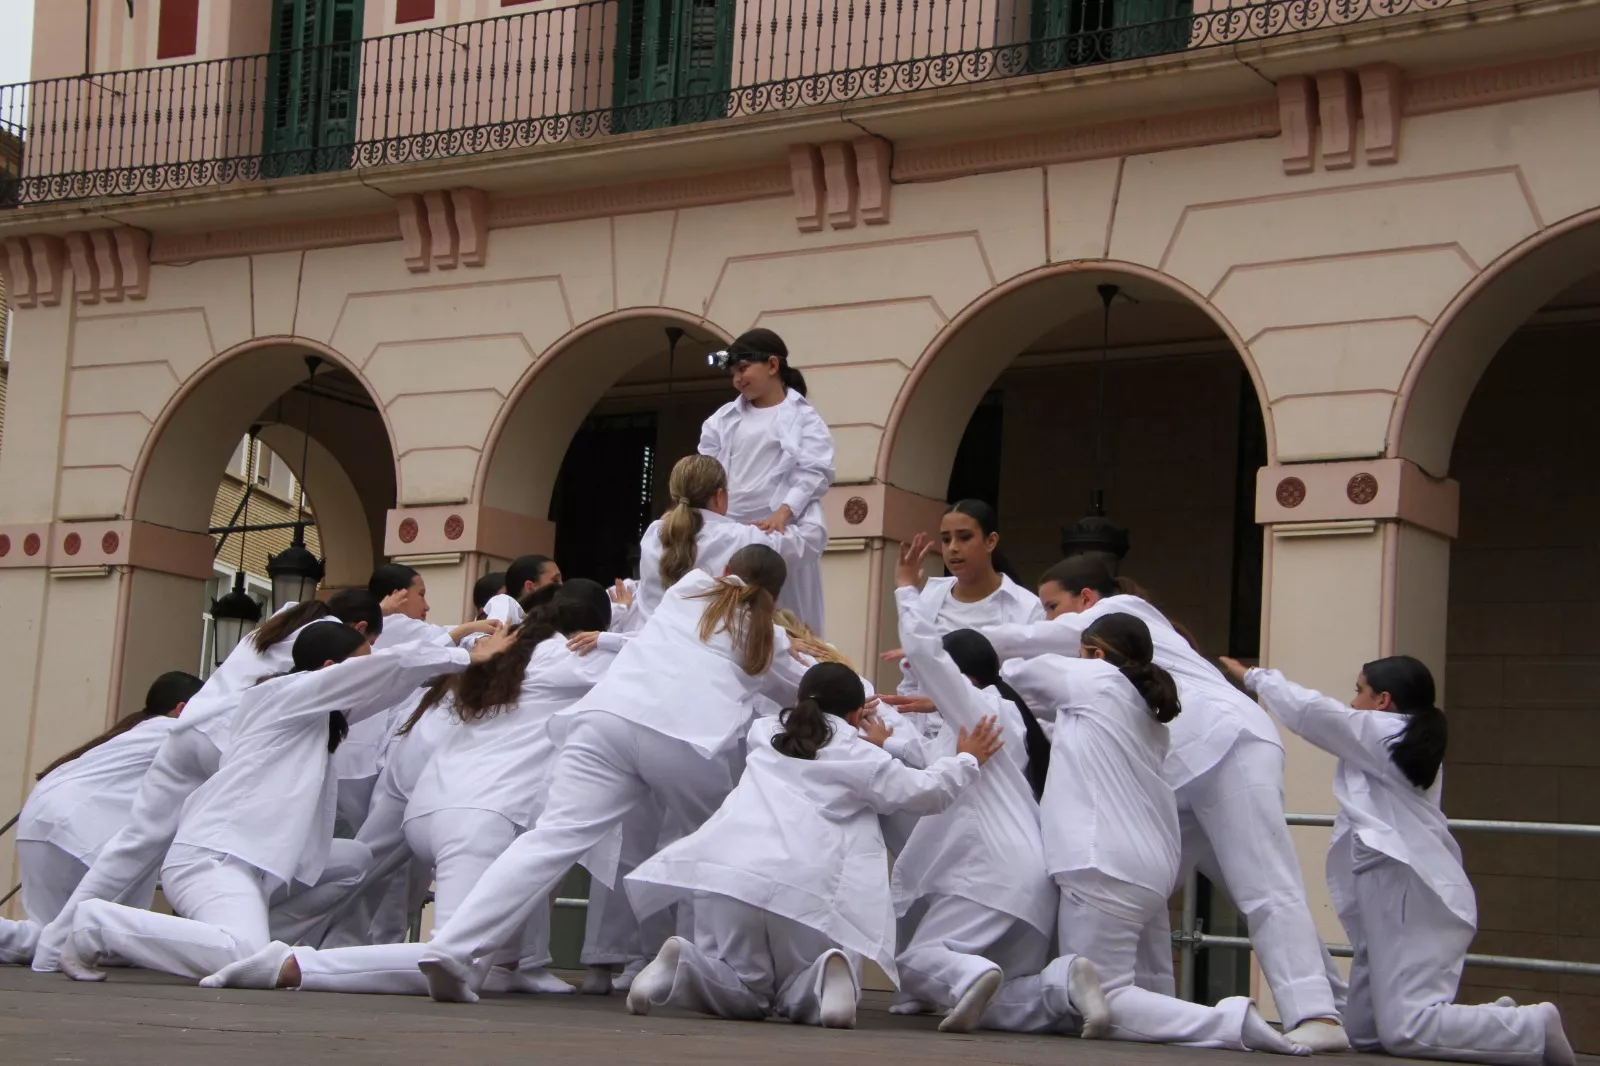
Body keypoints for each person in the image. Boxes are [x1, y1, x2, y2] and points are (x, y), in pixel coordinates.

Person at [978, 556, 1349, 1052]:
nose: (1048, 619)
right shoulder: (1096, 680)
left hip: (1228, 740)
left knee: (1264, 885)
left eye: (1052, 606)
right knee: (1143, 889)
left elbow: (1030, 644)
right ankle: (1152, 1003)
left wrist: (958, 645)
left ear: (1087, 598)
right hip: (1180, 770)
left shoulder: (1123, 609)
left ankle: (1318, 1014)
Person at [412, 544, 809, 1003]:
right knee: (717, 850)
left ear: (725, 571)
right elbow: (801, 691)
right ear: (776, 598)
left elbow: (650, 637)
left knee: (548, 840)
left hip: (606, 721)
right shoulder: (770, 639)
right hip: (686, 740)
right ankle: (721, 972)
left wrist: (606, 638)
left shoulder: (690, 587)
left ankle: (452, 948)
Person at [58, 623, 511, 983]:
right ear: (329, 667)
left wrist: (459, 655)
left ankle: (272, 944)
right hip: (214, 859)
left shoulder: (315, 712)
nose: (366, 674)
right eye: (357, 663)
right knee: (242, 958)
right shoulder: (281, 695)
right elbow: (382, 671)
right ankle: (97, 923)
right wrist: (464, 654)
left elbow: (388, 685)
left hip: (259, 865)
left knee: (354, 858)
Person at [1221, 655, 1574, 1066]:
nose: (1353, 702)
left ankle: (1532, 1026)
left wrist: (1256, 678)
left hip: (1408, 885)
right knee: (1367, 1032)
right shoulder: (1394, 737)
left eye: (1359, 691)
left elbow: (1316, 714)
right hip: (1389, 889)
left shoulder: (1389, 731)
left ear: (1384, 700)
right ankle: (1498, 1020)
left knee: (1408, 1029)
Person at [622, 662, 1006, 1029]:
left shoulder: (765, 733)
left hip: (729, 871)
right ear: (858, 714)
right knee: (793, 987)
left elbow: (812, 730)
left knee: (744, 988)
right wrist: (968, 759)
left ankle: (685, 965)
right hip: (805, 885)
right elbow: (926, 793)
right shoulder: (863, 756)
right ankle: (826, 977)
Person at [30, 591, 389, 973]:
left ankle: (52, 946)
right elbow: (377, 682)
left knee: (133, 844)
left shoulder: (284, 621)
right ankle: (231, 936)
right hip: (231, 738)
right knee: (256, 831)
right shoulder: (328, 635)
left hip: (190, 732)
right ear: (358, 628)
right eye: (368, 644)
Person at [882, 539, 1063, 1033]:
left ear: (958, 676)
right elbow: (936, 764)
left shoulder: (976, 708)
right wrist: (893, 739)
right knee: (1008, 1000)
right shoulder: (1008, 718)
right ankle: (1064, 983)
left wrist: (905, 588)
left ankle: (968, 973)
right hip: (1031, 882)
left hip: (991, 877)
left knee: (914, 960)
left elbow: (923, 649)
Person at [0, 672, 203, 966]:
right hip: (84, 831)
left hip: (40, 824)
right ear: (183, 709)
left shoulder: (130, 735)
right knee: (105, 944)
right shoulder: (176, 732)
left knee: (53, 937)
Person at [699, 328, 833, 635]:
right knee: (731, 620)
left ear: (772, 365)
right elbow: (707, 470)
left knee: (788, 620)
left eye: (743, 369)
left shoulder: (805, 418)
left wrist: (783, 513)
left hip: (779, 530)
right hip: (731, 530)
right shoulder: (721, 420)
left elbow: (814, 471)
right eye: (733, 372)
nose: (737, 379)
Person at [887, 500, 1044, 705]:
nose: (953, 547)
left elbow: (1031, 691)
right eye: (945, 539)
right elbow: (911, 677)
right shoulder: (930, 598)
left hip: (994, 730)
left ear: (991, 541)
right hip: (928, 733)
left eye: (964, 537)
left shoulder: (1027, 607)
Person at [631, 455, 812, 627]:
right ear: (720, 496)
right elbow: (810, 539)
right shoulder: (746, 538)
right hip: (711, 652)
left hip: (649, 649)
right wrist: (801, 493)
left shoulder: (653, 534)